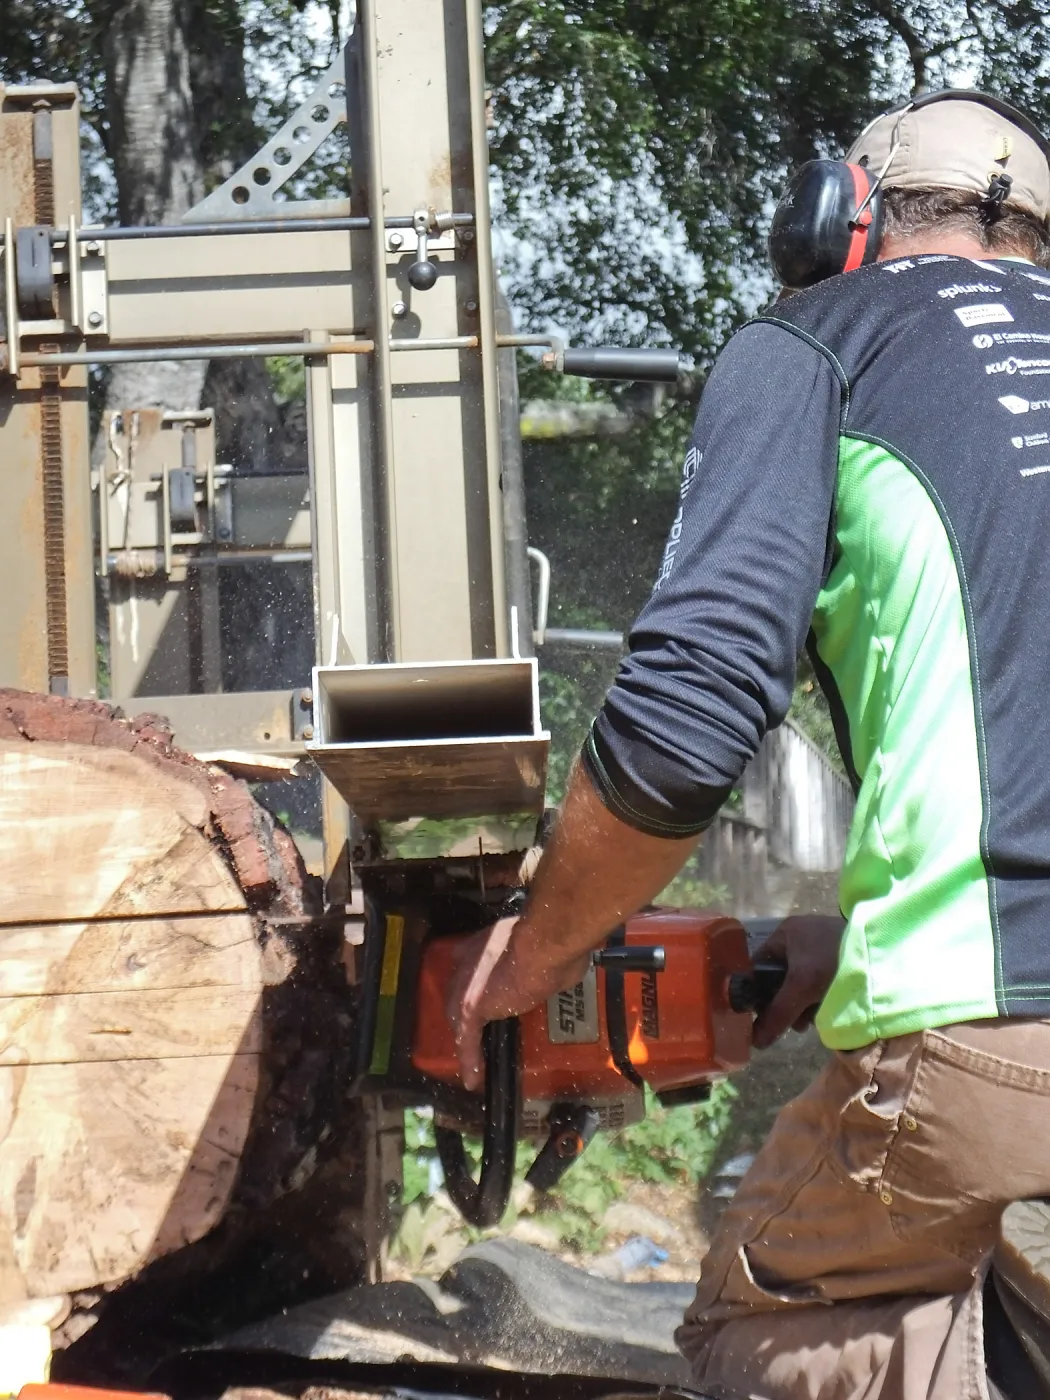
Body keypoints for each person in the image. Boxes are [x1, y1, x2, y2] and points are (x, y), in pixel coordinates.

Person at [446, 90, 1050, 1400]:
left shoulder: (821, 342)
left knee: (746, 1333)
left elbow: (685, 718)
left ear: (837, 221)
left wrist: (537, 954)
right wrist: (859, 933)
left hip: (1000, 1031)